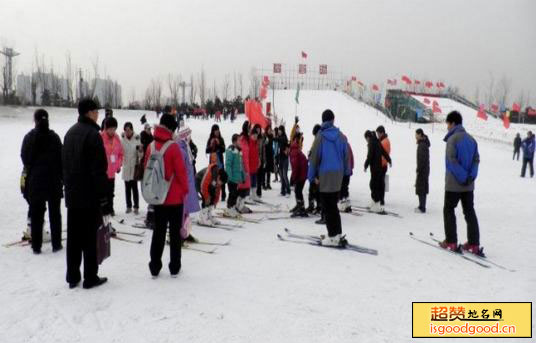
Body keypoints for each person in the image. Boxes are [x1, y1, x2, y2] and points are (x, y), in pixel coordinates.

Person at [63, 98, 109, 289]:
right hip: (89, 196)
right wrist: (103, 197)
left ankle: (73, 276)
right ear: (89, 112)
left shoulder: (70, 133)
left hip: (73, 194)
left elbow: (63, 164)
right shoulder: (93, 134)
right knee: (90, 237)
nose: (98, 114)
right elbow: (99, 169)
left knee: (73, 238)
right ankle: (90, 276)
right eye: (96, 111)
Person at [143, 114, 189, 277]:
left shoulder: (151, 146)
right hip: (175, 198)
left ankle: (154, 266)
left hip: (158, 197)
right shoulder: (173, 147)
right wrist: (185, 191)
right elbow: (181, 173)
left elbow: (146, 169)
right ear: (171, 129)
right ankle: (174, 266)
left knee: (158, 232)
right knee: (175, 233)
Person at [20, 109, 63, 254]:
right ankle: (56, 244)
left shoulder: (29, 137)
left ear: (35, 120)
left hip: (36, 181)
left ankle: (36, 246)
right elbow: (61, 159)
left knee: (37, 214)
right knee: (55, 214)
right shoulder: (55, 137)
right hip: (53, 180)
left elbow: (25, 158)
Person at [440, 111, 481, 254]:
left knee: (448, 210)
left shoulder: (452, 140)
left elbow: (452, 161)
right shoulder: (471, 139)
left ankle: (451, 240)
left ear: (453, 123)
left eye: (448, 124)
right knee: (469, 211)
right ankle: (474, 243)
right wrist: (471, 176)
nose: (447, 128)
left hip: (454, 184)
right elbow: (476, 160)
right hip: (469, 185)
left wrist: (463, 177)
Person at [307, 109, 350, 246]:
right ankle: (336, 233)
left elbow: (314, 158)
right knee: (334, 206)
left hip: (325, 175)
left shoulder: (320, 136)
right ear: (333, 120)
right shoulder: (341, 136)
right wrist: (345, 174)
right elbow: (346, 156)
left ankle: (332, 236)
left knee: (327, 206)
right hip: (337, 176)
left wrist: (311, 176)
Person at [100, 117, 124, 216]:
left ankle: (110, 209)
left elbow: (121, 154)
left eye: (114, 129)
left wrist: (118, 165)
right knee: (103, 193)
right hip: (102, 172)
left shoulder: (117, 138)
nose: (112, 131)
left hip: (112, 172)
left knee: (111, 192)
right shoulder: (100, 137)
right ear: (106, 128)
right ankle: (103, 210)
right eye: (110, 129)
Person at [364, 130, 392, 213]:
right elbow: (384, 152)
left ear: (368, 137)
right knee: (375, 184)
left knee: (373, 185)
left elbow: (369, 156)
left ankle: (376, 204)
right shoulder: (377, 141)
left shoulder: (372, 143)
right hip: (379, 167)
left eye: (366, 139)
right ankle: (374, 202)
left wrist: (365, 165)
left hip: (375, 168)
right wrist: (389, 160)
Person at [121, 122, 143, 214]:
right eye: (126, 130)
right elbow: (120, 152)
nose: (127, 132)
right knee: (127, 189)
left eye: (129, 130)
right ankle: (128, 206)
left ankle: (136, 207)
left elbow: (141, 155)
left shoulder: (137, 139)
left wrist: (140, 151)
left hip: (134, 167)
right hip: (126, 166)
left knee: (134, 188)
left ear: (132, 130)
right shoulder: (122, 139)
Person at [224, 134, 246, 218]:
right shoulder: (231, 150)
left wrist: (243, 176)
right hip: (231, 177)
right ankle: (229, 208)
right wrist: (229, 176)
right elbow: (228, 164)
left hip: (236, 178)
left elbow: (241, 166)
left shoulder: (239, 151)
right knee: (232, 193)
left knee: (235, 194)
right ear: (234, 141)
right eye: (239, 140)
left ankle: (232, 207)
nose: (240, 142)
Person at [205, 124, 226, 201]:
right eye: (215, 130)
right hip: (213, 161)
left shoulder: (221, 139)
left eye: (218, 130)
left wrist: (219, 144)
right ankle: (213, 193)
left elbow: (224, 149)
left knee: (222, 175)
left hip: (220, 161)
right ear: (213, 131)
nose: (217, 132)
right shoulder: (210, 139)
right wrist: (211, 146)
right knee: (213, 177)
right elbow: (207, 151)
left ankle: (223, 194)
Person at [289, 133, 308, 217]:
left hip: (302, 173)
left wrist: (293, 178)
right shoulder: (294, 148)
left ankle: (301, 208)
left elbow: (295, 166)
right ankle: (299, 205)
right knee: (297, 190)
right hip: (302, 172)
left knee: (298, 190)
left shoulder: (294, 150)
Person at [237, 121, 252, 213]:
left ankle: (240, 205)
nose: (250, 130)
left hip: (246, 166)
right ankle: (239, 206)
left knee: (245, 187)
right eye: (249, 128)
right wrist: (243, 169)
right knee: (243, 187)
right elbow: (240, 155)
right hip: (242, 168)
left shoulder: (246, 139)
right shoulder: (242, 139)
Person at [307, 124, 322, 215]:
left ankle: (315, 206)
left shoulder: (319, 141)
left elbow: (315, 157)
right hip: (317, 170)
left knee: (314, 190)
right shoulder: (318, 140)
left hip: (317, 170)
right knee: (315, 190)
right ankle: (317, 206)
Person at [415, 128, 430, 213]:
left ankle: (422, 207)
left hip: (423, 170)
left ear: (420, 135)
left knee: (421, 188)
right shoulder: (422, 144)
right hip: (424, 169)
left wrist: (419, 169)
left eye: (416, 135)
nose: (415, 137)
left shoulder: (422, 145)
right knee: (421, 188)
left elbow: (422, 159)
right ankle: (421, 205)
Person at [375, 125, 391, 206]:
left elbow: (382, 155)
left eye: (378, 133)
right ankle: (381, 199)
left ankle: (381, 200)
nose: (377, 135)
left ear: (382, 133)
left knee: (380, 183)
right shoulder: (384, 140)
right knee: (382, 183)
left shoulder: (384, 142)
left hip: (381, 165)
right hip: (383, 165)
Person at [338, 137, 354, 213]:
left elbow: (340, 159)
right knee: (345, 187)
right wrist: (351, 166)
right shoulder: (348, 145)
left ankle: (342, 205)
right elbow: (352, 156)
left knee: (341, 188)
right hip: (348, 170)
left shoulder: (340, 146)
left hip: (343, 171)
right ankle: (348, 204)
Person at [277, 125, 290, 196]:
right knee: (281, 176)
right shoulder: (279, 138)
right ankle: (283, 191)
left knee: (285, 175)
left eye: (280, 130)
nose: (279, 131)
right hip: (280, 159)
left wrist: (286, 150)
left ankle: (288, 191)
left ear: (283, 130)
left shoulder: (284, 137)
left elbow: (287, 145)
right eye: (279, 130)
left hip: (285, 159)